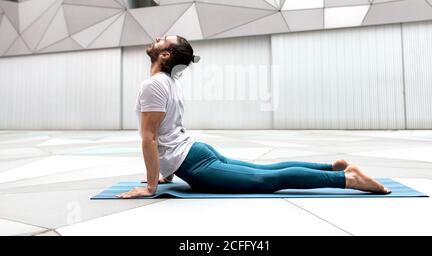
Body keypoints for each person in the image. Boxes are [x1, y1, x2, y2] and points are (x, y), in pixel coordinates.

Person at [117, 36, 391, 198]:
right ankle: (331, 167)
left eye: (160, 40)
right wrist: (165, 172)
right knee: (265, 170)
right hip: (194, 154)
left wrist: (152, 185)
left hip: (194, 163)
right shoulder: (167, 82)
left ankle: (347, 179)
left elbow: (151, 138)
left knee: (266, 181)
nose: (155, 39)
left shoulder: (153, 84)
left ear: (164, 55)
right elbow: (167, 131)